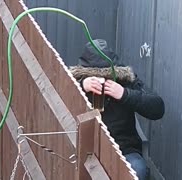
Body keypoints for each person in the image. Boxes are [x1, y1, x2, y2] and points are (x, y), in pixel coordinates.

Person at [70, 39, 165, 180]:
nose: (101, 80)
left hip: (124, 150)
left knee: (137, 170)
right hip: (84, 149)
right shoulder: (74, 83)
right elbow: (55, 97)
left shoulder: (124, 81)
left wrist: (124, 94)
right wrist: (81, 86)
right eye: (96, 77)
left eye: (107, 76)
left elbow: (158, 108)